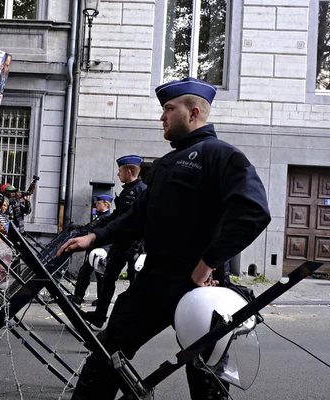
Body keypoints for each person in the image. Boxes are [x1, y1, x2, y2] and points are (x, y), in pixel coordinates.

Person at [57, 77, 271, 400]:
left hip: (200, 287)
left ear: (193, 112)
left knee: (205, 377)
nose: (162, 117)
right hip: (153, 283)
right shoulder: (165, 163)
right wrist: (95, 237)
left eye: (169, 109)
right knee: (105, 356)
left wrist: (208, 263)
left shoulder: (221, 155)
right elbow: (136, 217)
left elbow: (254, 211)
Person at [82, 155, 147, 327]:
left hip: (133, 245)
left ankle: (133, 319)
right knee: (108, 278)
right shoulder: (128, 191)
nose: (118, 175)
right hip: (121, 244)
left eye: (119, 171)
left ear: (127, 171)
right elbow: (116, 216)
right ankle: (100, 315)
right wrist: (96, 226)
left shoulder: (141, 191)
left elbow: (129, 219)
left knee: (135, 284)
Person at [67, 194, 113, 306]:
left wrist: (79, 228)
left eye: (98, 203)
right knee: (85, 272)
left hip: (101, 250)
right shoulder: (100, 216)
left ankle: (99, 299)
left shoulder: (106, 217)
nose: (96, 205)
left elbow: (91, 227)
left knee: (99, 274)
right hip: (94, 250)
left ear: (105, 204)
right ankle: (78, 296)